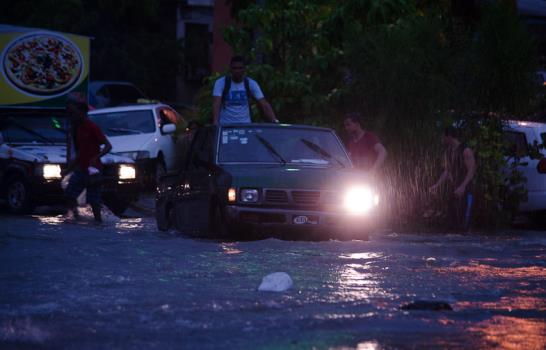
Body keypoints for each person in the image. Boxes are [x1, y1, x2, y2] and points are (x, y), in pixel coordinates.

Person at [63, 93, 112, 222]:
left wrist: (96, 157)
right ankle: (75, 218)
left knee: (93, 201)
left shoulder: (92, 127)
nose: (72, 116)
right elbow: (80, 153)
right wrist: (69, 169)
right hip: (81, 168)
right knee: (69, 193)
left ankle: (98, 223)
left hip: (93, 170)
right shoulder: (76, 129)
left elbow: (108, 146)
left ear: (82, 112)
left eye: (74, 113)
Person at [429, 126, 476, 231]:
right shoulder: (449, 151)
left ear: (449, 136)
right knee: (452, 224)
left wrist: (463, 187)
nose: (442, 139)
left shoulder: (466, 151)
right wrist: (437, 185)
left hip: (466, 191)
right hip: (454, 190)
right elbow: (447, 171)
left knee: (465, 224)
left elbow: (471, 171)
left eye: (443, 136)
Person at [212, 55, 278, 125]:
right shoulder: (221, 83)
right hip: (226, 125)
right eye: (235, 68)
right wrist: (215, 123)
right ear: (230, 69)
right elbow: (216, 103)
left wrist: (275, 121)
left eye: (240, 68)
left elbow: (264, 104)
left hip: (245, 125)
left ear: (244, 69)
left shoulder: (251, 83)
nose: (237, 71)